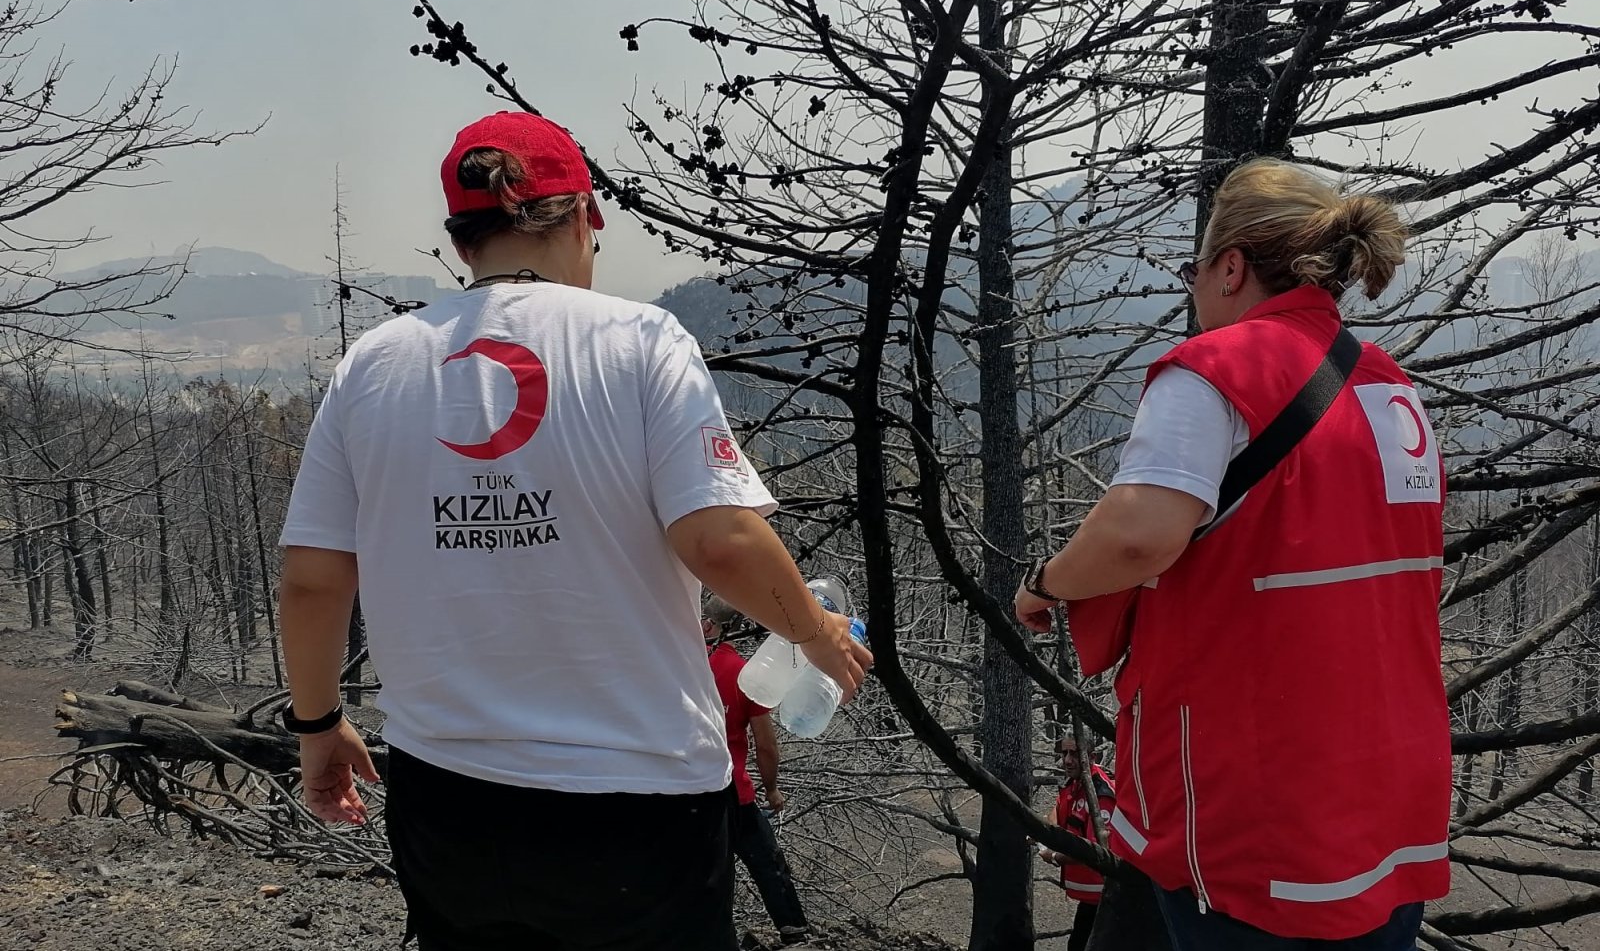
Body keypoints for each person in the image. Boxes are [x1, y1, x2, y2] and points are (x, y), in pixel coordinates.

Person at [276, 110, 872, 951]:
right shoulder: (640, 340)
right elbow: (721, 540)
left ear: (460, 243)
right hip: (637, 796)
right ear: (587, 216)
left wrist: (318, 725)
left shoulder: (373, 364)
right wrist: (814, 634)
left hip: (444, 792)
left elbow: (312, 578)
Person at [1014, 158, 1451, 950]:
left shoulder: (1216, 369)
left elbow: (1138, 534)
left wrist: (1044, 583)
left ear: (1229, 266)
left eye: (1192, 270)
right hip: (1388, 794)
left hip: (1260, 807)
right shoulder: (1391, 388)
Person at [702, 596, 812, 945]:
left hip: (689, 791)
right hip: (733, 789)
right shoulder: (745, 675)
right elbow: (766, 743)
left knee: (708, 873)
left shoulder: (682, 666)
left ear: (709, 625)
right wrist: (771, 788)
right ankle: (794, 931)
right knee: (767, 862)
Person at [1037, 735, 1115, 951]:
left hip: (1106, 898)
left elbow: (1095, 851)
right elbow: (1058, 809)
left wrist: (1053, 857)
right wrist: (1043, 834)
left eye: (1075, 754)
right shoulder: (1074, 784)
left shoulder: (1100, 795)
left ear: (1092, 757)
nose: (1068, 760)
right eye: (1064, 754)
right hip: (1090, 899)